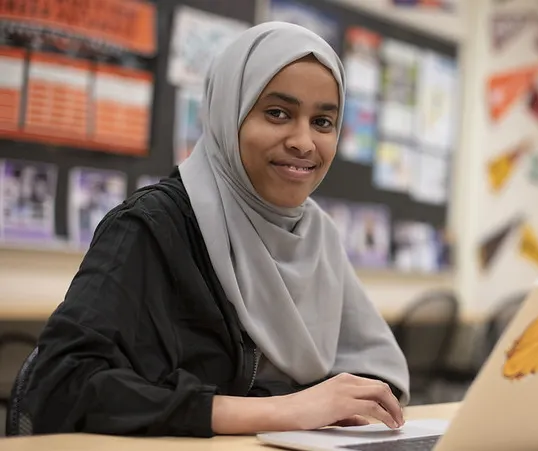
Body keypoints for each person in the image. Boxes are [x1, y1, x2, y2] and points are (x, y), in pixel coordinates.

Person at [23, 22, 410, 438]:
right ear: (229, 113)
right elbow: (62, 387)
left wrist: (344, 409)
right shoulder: (152, 226)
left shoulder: (317, 235)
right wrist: (281, 412)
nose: (303, 141)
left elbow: (375, 377)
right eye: (277, 113)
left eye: (322, 121)